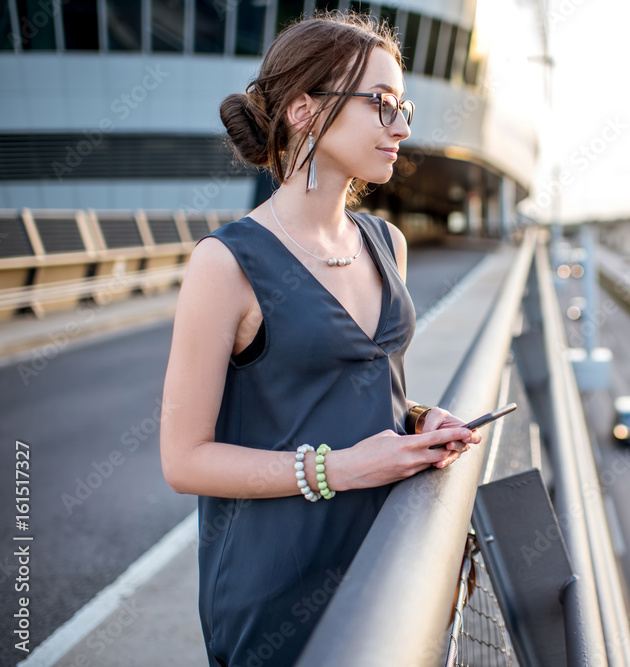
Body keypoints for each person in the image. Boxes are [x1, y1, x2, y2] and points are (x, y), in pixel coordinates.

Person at [159, 12, 482, 666]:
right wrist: (342, 466)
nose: (402, 125)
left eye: (404, 106)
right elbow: (183, 460)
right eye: (380, 104)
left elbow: (360, 387)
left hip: (384, 557)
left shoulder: (385, 242)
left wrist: (419, 419)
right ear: (305, 110)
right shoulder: (226, 263)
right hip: (277, 590)